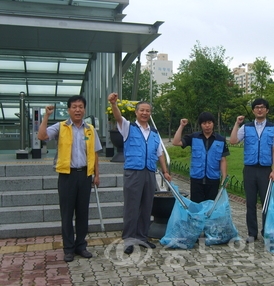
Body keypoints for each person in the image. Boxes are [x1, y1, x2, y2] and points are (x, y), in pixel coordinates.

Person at [38, 95, 102, 262]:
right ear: (68, 110)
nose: (77, 110)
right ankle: (68, 248)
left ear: (85, 109)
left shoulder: (90, 129)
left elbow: (94, 153)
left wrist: (97, 174)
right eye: (74, 107)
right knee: (67, 214)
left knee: (83, 213)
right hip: (67, 176)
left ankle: (81, 245)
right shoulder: (61, 127)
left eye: (80, 106)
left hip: (85, 176)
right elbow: (42, 136)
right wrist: (46, 116)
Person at [107, 93, 171, 254]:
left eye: (147, 111)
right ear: (136, 112)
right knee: (131, 207)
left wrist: (165, 171)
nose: (145, 113)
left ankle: (142, 237)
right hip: (133, 172)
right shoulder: (128, 127)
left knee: (146, 206)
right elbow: (118, 117)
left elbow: (160, 153)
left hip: (149, 172)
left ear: (150, 113)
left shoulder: (154, 133)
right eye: (142, 110)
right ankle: (128, 239)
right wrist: (114, 104)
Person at [230, 98, 274, 243]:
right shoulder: (246, 127)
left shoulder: (273, 128)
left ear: (267, 110)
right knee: (250, 203)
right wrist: (237, 123)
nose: (259, 109)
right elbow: (233, 141)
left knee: (266, 203)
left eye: (262, 107)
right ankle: (252, 233)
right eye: (257, 107)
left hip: (266, 170)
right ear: (253, 110)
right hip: (250, 170)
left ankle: (267, 232)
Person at [172, 112, 229, 203]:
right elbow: (175, 142)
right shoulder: (194, 137)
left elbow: (223, 160)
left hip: (213, 179)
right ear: (200, 125)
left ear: (213, 123)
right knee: (196, 207)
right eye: (204, 123)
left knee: (211, 207)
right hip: (196, 179)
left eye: (209, 123)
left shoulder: (220, 139)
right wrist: (182, 126)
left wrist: (224, 178)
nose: (207, 126)